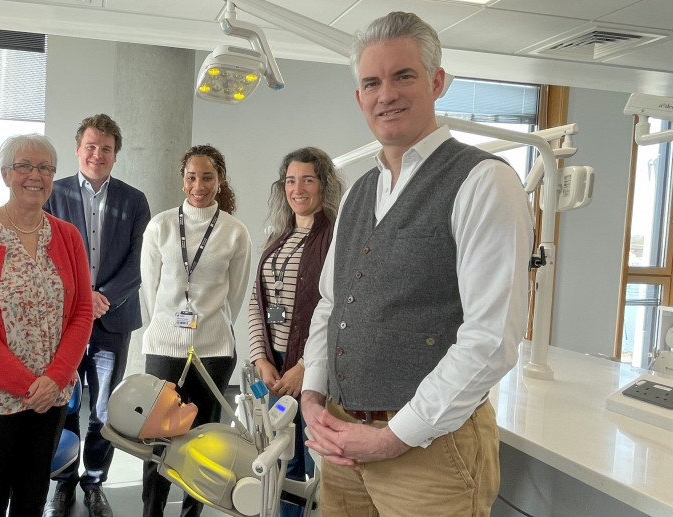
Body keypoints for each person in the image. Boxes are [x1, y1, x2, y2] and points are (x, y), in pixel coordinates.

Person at [300, 11, 535, 517]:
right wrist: (313, 394)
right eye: (371, 82)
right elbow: (332, 304)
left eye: (403, 75)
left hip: (428, 451)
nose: (386, 94)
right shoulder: (361, 191)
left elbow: (491, 338)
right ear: (359, 97)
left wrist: (395, 437)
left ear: (437, 81)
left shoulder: (483, 183)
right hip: (341, 440)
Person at [0, 133, 93, 516]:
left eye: (45, 168)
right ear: (5, 174)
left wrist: (55, 379)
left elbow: (81, 312)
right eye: (25, 166)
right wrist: (29, 385)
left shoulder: (68, 237)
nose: (36, 175)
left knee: (32, 499)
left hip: (51, 397)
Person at [43, 114, 151, 517]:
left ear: (115, 155)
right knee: (64, 402)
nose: (97, 154)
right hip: (64, 321)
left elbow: (139, 261)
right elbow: (46, 254)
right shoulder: (54, 194)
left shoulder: (134, 200)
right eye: (90, 146)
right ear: (77, 149)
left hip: (112, 319)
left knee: (105, 408)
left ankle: (94, 483)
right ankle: (64, 482)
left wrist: (101, 297)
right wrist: (81, 299)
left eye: (106, 148)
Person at [139, 144, 252, 517]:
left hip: (214, 348)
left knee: (204, 440)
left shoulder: (235, 232)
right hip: (164, 346)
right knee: (158, 436)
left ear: (220, 181)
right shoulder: (161, 225)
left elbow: (234, 296)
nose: (198, 185)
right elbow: (150, 290)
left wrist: (206, 323)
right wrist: (170, 324)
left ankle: (192, 512)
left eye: (207, 177)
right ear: (182, 179)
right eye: (191, 177)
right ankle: (152, 511)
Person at [246, 147, 342, 517]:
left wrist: (305, 366)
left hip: (313, 368)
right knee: (279, 458)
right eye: (290, 180)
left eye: (307, 179)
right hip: (274, 367)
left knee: (312, 456)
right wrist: (260, 359)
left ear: (323, 185)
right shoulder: (277, 238)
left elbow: (336, 311)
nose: (297, 188)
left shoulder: (336, 238)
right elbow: (257, 303)